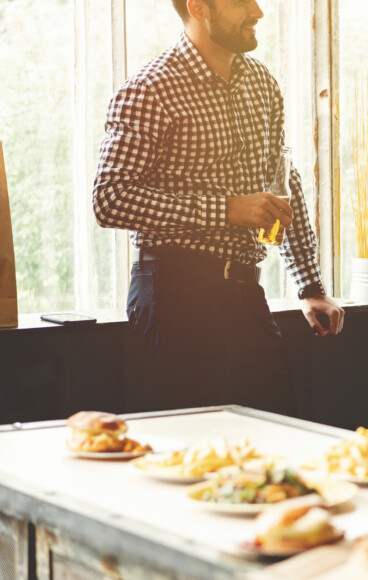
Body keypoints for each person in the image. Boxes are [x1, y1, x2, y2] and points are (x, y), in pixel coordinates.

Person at [93, 0, 345, 417]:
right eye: (241, 2)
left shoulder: (262, 82)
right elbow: (110, 198)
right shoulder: (149, 88)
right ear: (199, 8)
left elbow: (283, 182)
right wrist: (225, 210)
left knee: (272, 436)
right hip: (172, 295)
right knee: (185, 453)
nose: (259, 12)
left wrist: (311, 286)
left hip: (245, 292)